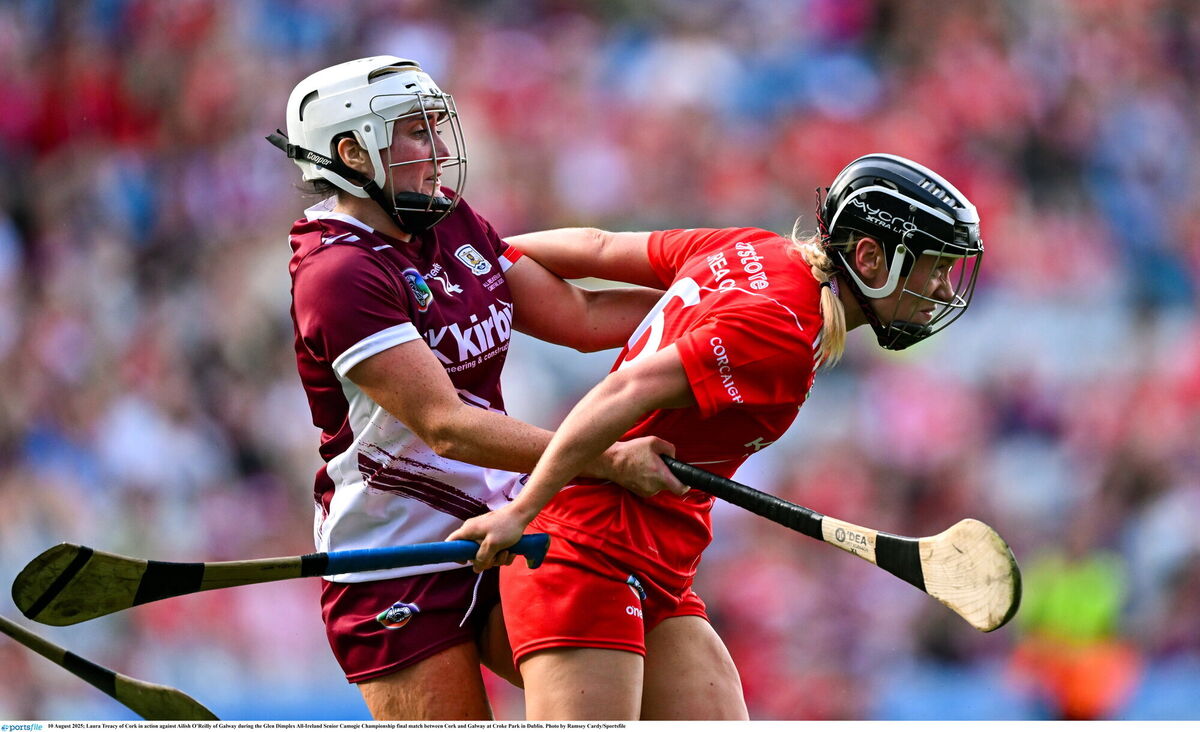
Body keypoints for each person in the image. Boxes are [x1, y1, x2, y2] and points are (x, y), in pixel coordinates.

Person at [449, 153, 986, 719]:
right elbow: (623, 390)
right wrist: (520, 511)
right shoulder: (781, 329)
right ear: (871, 257)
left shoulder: (758, 249)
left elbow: (599, 248)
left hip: (656, 563)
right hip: (589, 555)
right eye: (936, 266)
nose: (943, 288)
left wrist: (473, 256)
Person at [272, 56, 684, 721]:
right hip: (398, 564)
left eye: (438, 128)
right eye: (414, 132)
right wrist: (601, 458)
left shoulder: (449, 221)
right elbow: (446, 425)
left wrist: (707, 303)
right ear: (352, 151)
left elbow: (579, 318)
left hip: (501, 529)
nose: (438, 151)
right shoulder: (338, 273)